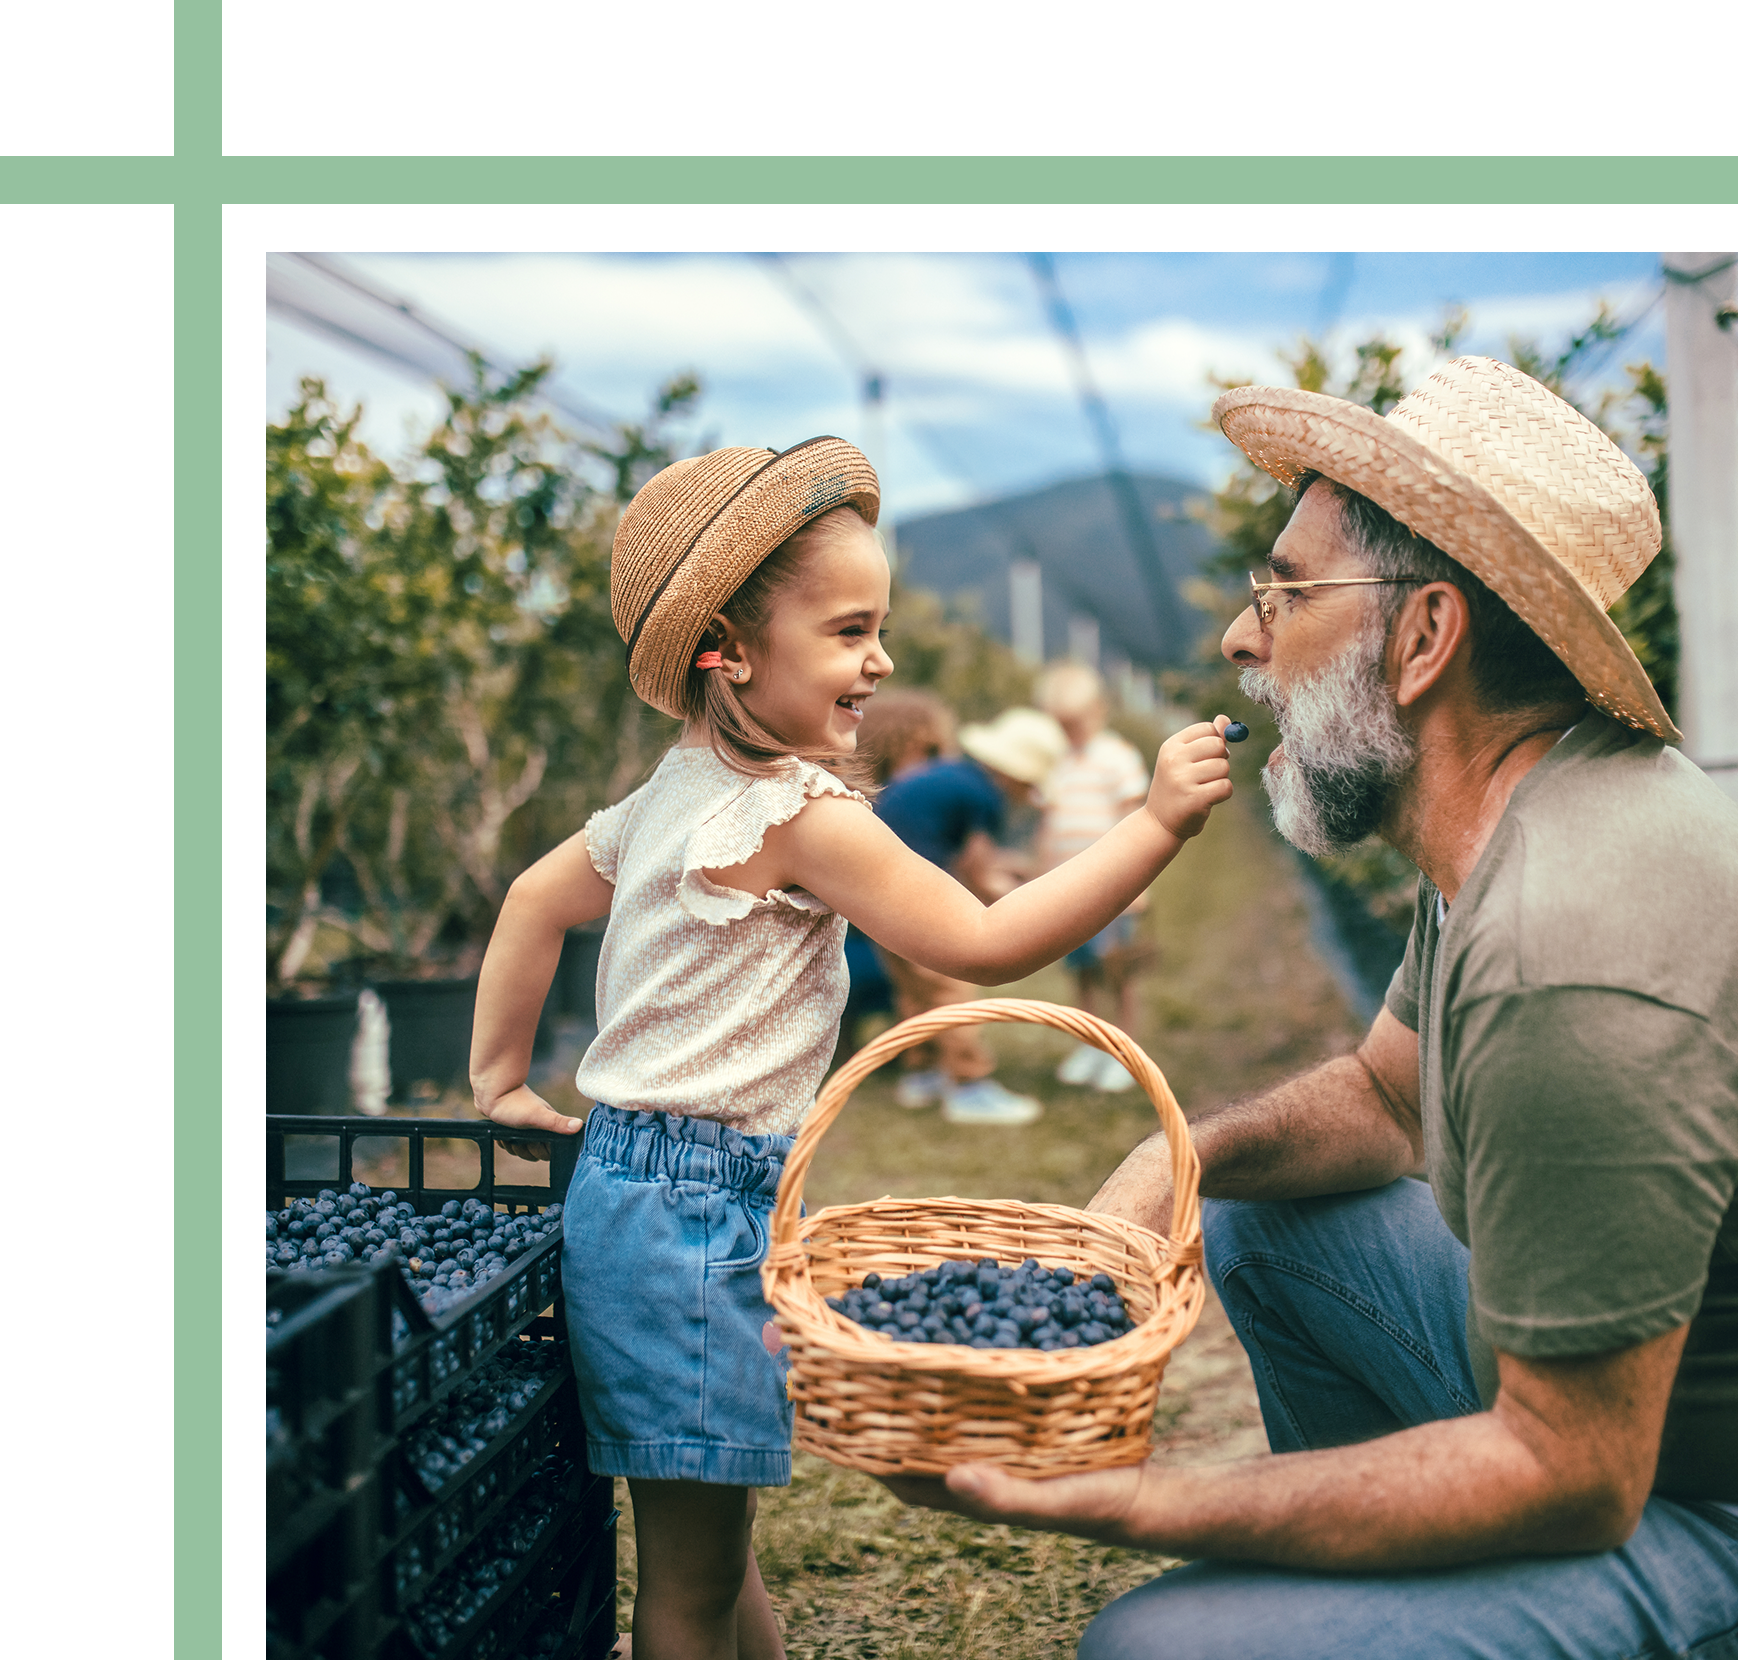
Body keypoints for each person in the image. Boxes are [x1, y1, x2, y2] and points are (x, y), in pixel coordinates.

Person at [879, 359, 1738, 1660]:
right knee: (1266, 1221)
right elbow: (1385, 1099)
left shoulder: (1565, 944)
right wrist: (1165, 1161)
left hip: (1683, 1490)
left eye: (1281, 591)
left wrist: (1139, 1501)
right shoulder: (1527, 819)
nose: (1239, 638)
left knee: (1154, 1650)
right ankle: (1396, 1590)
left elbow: (1574, 1471)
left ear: (1423, 637)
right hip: (1635, 1423)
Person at [464, 436, 1238, 1660]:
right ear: (726, 647)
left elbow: (527, 901)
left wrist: (499, 1079)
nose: (879, 658)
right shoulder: (801, 816)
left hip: (632, 1191)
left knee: (709, 1543)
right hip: (696, 1215)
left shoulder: (657, 800)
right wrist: (1152, 827)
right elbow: (985, 943)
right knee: (682, 1582)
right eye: (846, 630)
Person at [869, 701, 1068, 1125]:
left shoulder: (954, 778)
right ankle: (968, 1085)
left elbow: (959, 853)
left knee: (914, 988)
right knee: (948, 989)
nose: (1027, 796)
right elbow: (978, 872)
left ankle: (921, 1074)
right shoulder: (985, 796)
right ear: (1015, 774)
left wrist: (1009, 870)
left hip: (873, 892)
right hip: (908, 895)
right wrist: (1024, 902)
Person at [1033, 662, 1153, 1094]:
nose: (1069, 733)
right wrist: (1040, 877)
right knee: (1080, 968)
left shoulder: (1116, 757)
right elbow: (1048, 823)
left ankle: (1126, 1050)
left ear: (1098, 711)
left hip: (1110, 888)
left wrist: (1136, 887)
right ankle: (1090, 1045)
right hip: (1067, 887)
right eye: (1060, 725)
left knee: (1117, 969)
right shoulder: (1054, 764)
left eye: (1075, 723)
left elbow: (1134, 821)